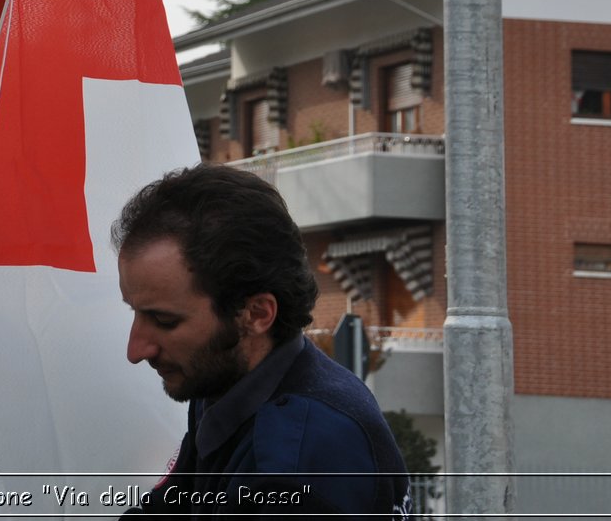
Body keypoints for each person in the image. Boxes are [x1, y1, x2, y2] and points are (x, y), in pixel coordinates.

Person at [111, 166, 411, 517]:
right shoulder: (225, 383)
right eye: (135, 312)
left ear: (256, 314)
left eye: (164, 320)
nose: (136, 350)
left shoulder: (297, 463)